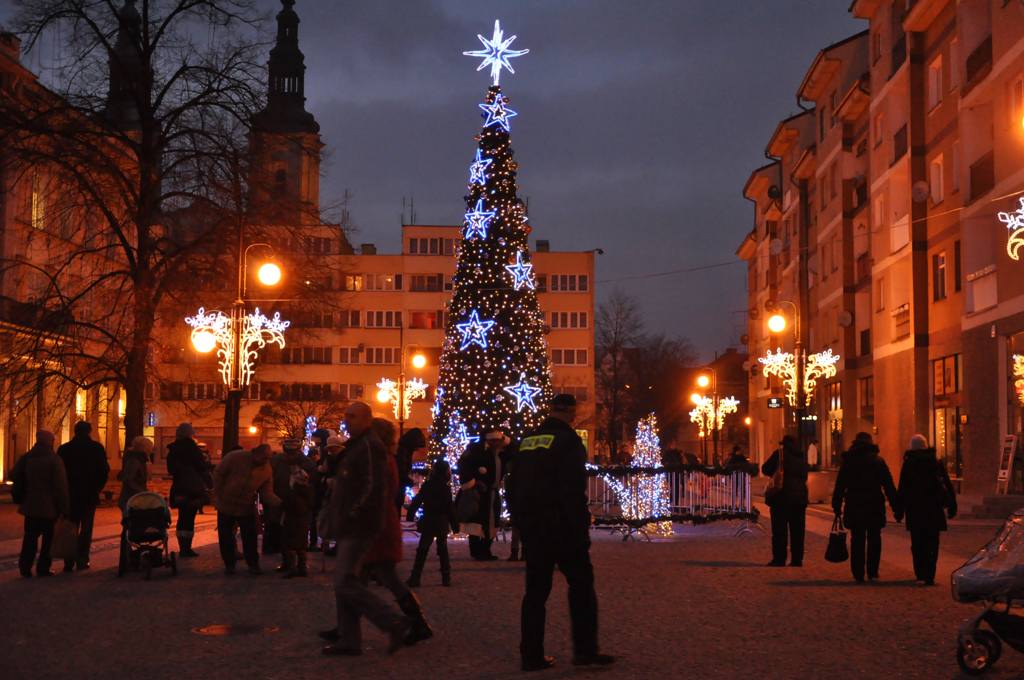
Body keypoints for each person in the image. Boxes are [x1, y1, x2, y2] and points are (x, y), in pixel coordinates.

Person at [512, 394, 614, 672]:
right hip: (563, 526)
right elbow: (572, 489)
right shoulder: (569, 441)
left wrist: (522, 520)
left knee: (535, 592)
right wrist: (580, 527)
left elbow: (513, 483)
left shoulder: (528, 440)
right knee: (581, 586)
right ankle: (585, 650)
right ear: (571, 412)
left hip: (534, 527)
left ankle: (531, 655)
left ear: (550, 410)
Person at [321, 402, 413, 657]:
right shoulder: (358, 445)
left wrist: (352, 513)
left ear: (367, 420)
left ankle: (393, 621)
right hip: (353, 524)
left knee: (345, 582)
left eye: (352, 416)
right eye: (346, 416)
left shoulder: (369, 446)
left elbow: (373, 487)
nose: (347, 420)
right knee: (348, 582)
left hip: (359, 526)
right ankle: (349, 638)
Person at [832, 432, 898, 582]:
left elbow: (840, 485)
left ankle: (858, 572)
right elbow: (889, 486)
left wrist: (836, 505)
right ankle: (872, 571)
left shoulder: (848, 462)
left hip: (854, 505)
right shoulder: (878, 461)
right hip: (874, 505)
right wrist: (896, 507)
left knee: (857, 539)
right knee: (874, 538)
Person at [895, 434, 958, 586]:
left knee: (917, 543)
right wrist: (952, 504)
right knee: (932, 543)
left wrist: (899, 510)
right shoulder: (935, 462)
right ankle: (930, 574)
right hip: (933, 508)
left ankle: (920, 574)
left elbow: (903, 488)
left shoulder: (909, 464)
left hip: (915, 509)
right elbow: (947, 484)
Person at [213, 443, 281, 575]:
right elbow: (218, 474)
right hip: (226, 504)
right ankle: (229, 564)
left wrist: (279, 503)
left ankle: (253, 564)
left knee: (250, 536)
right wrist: (219, 494)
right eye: (263, 458)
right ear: (255, 452)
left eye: (267, 458)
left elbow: (266, 492)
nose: (265, 461)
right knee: (225, 536)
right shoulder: (235, 457)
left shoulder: (266, 470)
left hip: (245, 506)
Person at [12, 431, 69, 578]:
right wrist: (64, 507)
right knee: (48, 539)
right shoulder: (54, 460)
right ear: (50, 442)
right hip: (49, 507)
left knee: (30, 537)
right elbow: (61, 486)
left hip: (30, 505)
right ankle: (43, 568)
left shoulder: (27, 457)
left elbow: (14, 474)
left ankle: (25, 567)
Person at [57, 421, 110, 571]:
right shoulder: (96, 448)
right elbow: (104, 471)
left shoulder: (65, 449)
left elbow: (59, 473)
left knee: (69, 528)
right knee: (86, 529)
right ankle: (82, 559)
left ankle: (68, 560)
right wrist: (97, 488)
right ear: (89, 431)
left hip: (70, 495)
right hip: (89, 495)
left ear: (75, 431)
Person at [271, 439, 318, 577]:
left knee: (299, 535)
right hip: (282, 501)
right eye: (288, 452)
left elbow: (313, 485)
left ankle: (300, 565)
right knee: (284, 534)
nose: (290, 455)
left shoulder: (307, 464)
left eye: (293, 452)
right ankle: (287, 562)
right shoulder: (277, 461)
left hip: (300, 504)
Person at [406, 459, 457, 587]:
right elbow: (449, 508)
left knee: (422, 549)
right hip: (441, 521)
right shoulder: (445, 488)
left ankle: (415, 576)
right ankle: (446, 577)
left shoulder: (428, 485)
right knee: (443, 549)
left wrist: (410, 513)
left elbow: (418, 500)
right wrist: (454, 524)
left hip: (429, 519)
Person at [761, 435, 809, 567]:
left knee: (779, 530)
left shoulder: (779, 454)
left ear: (784, 444)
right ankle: (797, 560)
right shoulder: (801, 456)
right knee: (798, 531)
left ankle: (779, 559)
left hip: (781, 498)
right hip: (799, 498)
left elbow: (765, 469)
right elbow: (805, 476)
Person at [457, 430, 505, 560]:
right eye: (494, 441)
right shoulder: (479, 453)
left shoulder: (499, 454)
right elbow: (466, 467)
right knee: (477, 522)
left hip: (492, 492)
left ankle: (484, 550)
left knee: (491, 522)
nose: (497, 443)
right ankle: (478, 551)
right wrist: (475, 482)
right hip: (481, 492)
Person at [166, 423, 211, 558]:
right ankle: (187, 548)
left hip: (179, 487)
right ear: (190, 434)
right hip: (193, 488)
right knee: (190, 517)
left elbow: (171, 470)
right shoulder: (193, 449)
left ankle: (182, 547)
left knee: (182, 517)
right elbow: (202, 467)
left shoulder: (173, 450)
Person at [501, 437, 525, 561]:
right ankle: (521, 552)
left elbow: (509, 491)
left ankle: (516, 552)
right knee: (521, 528)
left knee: (518, 528)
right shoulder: (521, 474)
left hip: (517, 502)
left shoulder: (511, 477)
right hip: (521, 502)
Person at [118, 436, 152, 510]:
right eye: (150, 448)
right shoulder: (135, 461)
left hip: (134, 498)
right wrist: (142, 491)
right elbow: (129, 480)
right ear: (144, 448)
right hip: (132, 499)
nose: (151, 451)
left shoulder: (138, 460)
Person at [396, 428, 427, 508]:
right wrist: (409, 481)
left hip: (399, 486)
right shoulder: (403, 452)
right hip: (397, 487)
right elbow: (401, 470)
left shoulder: (405, 450)